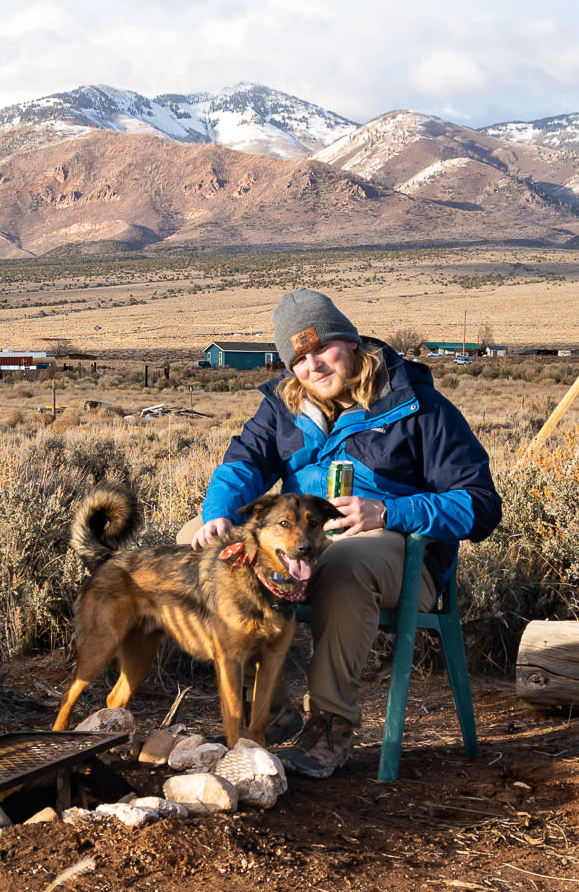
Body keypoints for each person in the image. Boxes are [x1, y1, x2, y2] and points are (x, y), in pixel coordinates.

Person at [181, 289, 500, 778]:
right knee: (199, 544)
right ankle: (270, 702)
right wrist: (219, 512)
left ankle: (331, 724)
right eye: (300, 359)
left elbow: (479, 505)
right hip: (303, 547)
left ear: (350, 342)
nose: (314, 366)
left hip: (397, 557)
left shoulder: (418, 406)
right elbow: (241, 464)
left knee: (348, 566)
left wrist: (389, 511)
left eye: (323, 348)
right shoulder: (282, 408)